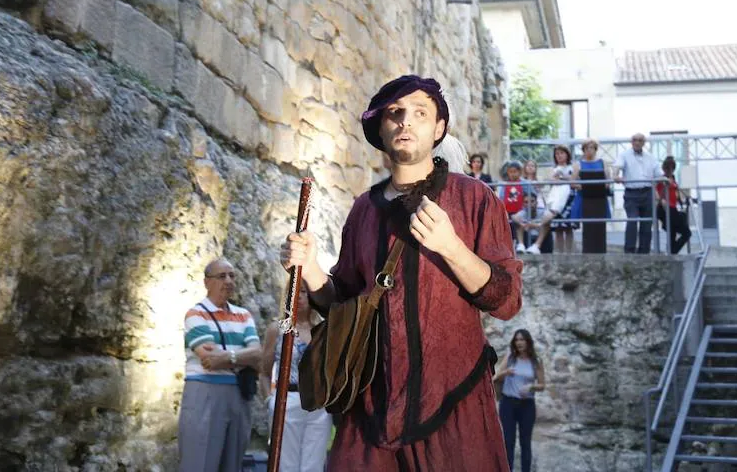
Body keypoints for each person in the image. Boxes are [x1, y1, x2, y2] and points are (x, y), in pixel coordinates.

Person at [280, 75, 522, 471]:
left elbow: (507, 301)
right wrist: (310, 273)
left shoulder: (475, 199)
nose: (406, 121)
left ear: (439, 128)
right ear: (381, 126)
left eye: (420, 113)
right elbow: (343, 302)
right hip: (371, 404)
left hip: (454, 401)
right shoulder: (363, 210)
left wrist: (451, 246)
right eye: (395, 113)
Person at [178, 259, 264, 472]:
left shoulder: (244, 315)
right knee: (199, 461)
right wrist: (243, 356)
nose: (228, 281)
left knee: (233, 463)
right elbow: (208, 358)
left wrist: (227, 358)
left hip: (238, 395)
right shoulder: (195, 314)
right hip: (205, 393)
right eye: (221, 276)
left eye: (232, 275)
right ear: (207, 282)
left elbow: (258, 353)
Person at [260, 284, 331, 472]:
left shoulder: (323, 329)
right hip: (287, 398)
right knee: (286, 462)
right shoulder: (278, 329)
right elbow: (264, 372)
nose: (299, 296)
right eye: (295, 291)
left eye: (304, 292)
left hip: (318, 402)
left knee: (314, 463)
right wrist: (270, 400)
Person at [494, 329, 545, 472]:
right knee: (508, 442)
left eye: (522, 339)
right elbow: (496, 377)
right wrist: (506, 372)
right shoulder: (510, 357)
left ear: (528, 342)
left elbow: (542, 385)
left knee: (525, 443)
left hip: (527, 406)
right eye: (517, 340)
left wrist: (531, 387)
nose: (519, 342)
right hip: (508, 404)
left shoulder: (536, 361)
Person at [613, 133, 662, 254]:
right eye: (634, 140)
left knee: (647, 223)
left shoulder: (650, 157)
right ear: (631, 142)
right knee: (632, 220)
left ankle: (644, 252)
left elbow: (659, 174)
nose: (637, 142)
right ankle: (629, 251)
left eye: (640, 140)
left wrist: (657, 186)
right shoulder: (624, 155)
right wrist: (616, 176)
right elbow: (617, 166)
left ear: (644, 143)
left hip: (647, 192)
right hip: (631, 193)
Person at [570, 138, 611, 254]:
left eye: (592, 148)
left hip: (599, 199)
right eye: (587, 148)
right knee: (587, 228)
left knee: (600, 227)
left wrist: (603, 186)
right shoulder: (578, 164)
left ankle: (601, 251)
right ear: (583, 150)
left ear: (596, 149)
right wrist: (584, 187)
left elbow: (608, 181)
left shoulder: (602, 162)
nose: (590, 150)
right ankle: (587, 252)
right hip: (585, 199)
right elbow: (572, 183)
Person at [655, 156, 692, 254]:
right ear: (664, 168)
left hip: (673, 208)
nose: (669, 170)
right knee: (679, 231)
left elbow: (676, 193)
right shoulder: (661, 179)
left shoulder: (673, 179)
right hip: (664, 208)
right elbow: (656, 192)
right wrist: (661, 199)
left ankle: (672, 251)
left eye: (671, 168)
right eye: (667, 168)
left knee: (680, 232)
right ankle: (672, 251)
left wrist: (682, 200)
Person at [498, 160, 526, 253]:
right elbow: (501, 198)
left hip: (521, 211)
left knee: (516, 223)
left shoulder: (524, 183)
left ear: (519, 172)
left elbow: (530, 196)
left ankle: (519, 244)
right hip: (507, 211)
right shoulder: (504, 185)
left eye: (515, 172)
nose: (513, 174)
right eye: (511, 172)